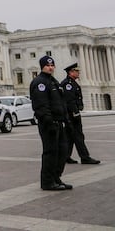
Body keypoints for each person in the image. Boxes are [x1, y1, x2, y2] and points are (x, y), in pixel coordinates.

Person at [29, 55, 71, 190]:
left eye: (52, 65)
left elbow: (61, 103)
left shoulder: (54, 81)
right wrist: (49, 121)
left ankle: (56, 177)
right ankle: (47, 182)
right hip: (49, 124)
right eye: (47, 65)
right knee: (51, 152)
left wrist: (66, 120)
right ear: (42, 66)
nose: (50, 67)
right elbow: (41, 105)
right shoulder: (39, 82)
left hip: (60, 122)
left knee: (63, 152)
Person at [61, 63, 100, 165]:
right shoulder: (67, 84)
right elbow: (69, 100)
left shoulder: (72, 83)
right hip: (72, 115)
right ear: (71, 72)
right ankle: (85, 157)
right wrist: (75, 112)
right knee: (78, 136)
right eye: (76, 71)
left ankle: (65, 156)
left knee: (70, 137)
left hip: (72, 114)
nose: (78, 73)